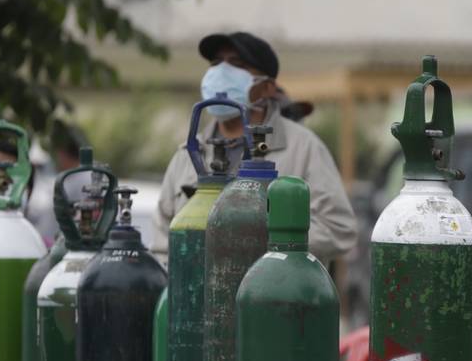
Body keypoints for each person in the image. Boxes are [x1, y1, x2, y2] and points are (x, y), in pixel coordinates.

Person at [150, 31, 355, 265]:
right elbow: (162, 242)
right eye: (216, 63)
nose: (221, 72)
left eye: (237, 64)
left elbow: (339, 229)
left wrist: (258, 241)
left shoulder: (303, 148)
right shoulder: (188, 154)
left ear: (267, 87)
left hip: (273, 286)